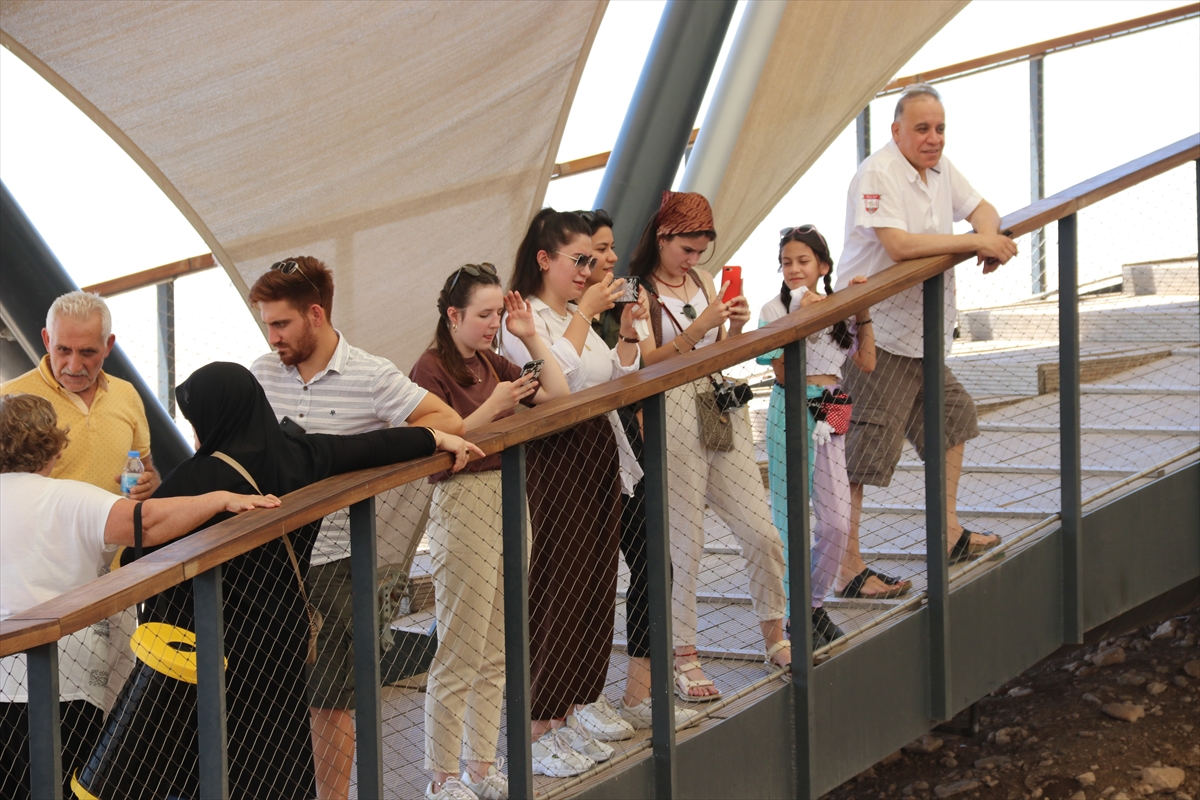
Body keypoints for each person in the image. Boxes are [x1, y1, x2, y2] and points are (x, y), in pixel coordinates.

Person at [84, 362, 481, 800]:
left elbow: (136, 551)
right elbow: (371, 446)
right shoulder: (299, 453)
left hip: (211, 647)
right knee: (275, 753)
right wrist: (435, 437)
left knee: (209, 759)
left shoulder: (197, 479)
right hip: (282, 633)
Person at [248, 256, 464, 800]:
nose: (271, 336)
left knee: (330, 701)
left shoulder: (369, 373)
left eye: (281, 324)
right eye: (267, 324)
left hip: (338, 562)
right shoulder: (259, 373)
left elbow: (445, 423)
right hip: (267, 559)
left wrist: (355, 463)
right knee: (269, 699)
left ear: (315, 314)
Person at [0, 393, 279, 800]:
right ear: (56, 446)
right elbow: (147, 524)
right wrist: (220, 498)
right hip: (65, 678)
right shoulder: (67, 499)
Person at [835, 83, 1018, 594]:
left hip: (921, 337)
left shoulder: (937, 167)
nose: (933, 137)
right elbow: (897, 246)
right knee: (860, 452)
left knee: (953, 419)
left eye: (939, 128)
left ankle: (948, 532)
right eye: (922, 128)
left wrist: (985, 235)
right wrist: (976, 240)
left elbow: (983, 209)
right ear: (896, 131)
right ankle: (848, 569)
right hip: (871, 340)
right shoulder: (878, 172)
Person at [410, 263, 571, 800]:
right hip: (463, 498)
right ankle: (442, 775)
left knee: (500, 644)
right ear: (453, 315)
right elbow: (437, 443)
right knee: (460, 644)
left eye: (497, 314)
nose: (492, 323)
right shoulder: (429, 370)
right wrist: (495, 406)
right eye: (484, 315)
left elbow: (559, 393)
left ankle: (478, 766)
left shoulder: (493, 360)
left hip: (508, 491)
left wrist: (530, 335)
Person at [627, 191, 790, 700]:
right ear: (663, 236)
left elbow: (717, 350)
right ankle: (684, 655)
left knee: (762, 530)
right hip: (671, 407)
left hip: (719, 402)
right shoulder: (640, 291)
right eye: (687, 248)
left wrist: (735, 324)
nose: (694, 258)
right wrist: (701, 325)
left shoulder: (701, 281)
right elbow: (642, 363)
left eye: (701, 249)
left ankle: (775, 631)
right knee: (685, 541)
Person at [499, 208, 643, 777]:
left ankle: (571, 708)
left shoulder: (566, 312)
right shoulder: (523, 317)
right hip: (553, 459)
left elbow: (610, 377)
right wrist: (584, 314)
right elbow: (550, 384)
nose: (588, 271)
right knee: (556, 587)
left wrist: (628, 333)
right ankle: (539, 724)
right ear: (545, 260)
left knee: (594, 584)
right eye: (578, 260)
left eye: (592, 260)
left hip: (595, 452)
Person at [1, 290, 160, 717]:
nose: (74, 365)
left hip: (118, 583)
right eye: (62, 350)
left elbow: (148, 470)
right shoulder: (11, 400)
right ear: (45, 339)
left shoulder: (127, 395)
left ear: (109, 346)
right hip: (41, 598)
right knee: (46, 723)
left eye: (88, 352)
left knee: (118, 717)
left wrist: (147, 484)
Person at [575, 208, 698, 730]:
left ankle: (639, 691)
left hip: (638, 438)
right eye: (595, 251)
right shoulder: (567, 310)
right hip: (589, 451)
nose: (607, 258)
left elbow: (634, 365)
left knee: (657, 560)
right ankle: (572, 707)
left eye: (609, 248)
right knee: (588, 580)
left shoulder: (679, 289)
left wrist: (725, 323)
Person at [756, 225, 880, 649]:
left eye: (803, 261)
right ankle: (794, 615)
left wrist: (858, 308)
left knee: (836, 522)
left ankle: (811, 604)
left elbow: (865, 361)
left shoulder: (837, 306)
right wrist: (803, 313)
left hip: (833, 401)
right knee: (787, 516)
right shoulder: (774, 309)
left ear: (822, 266)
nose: (793, 268)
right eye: (787, 261)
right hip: (790, 407)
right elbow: (782, 372)